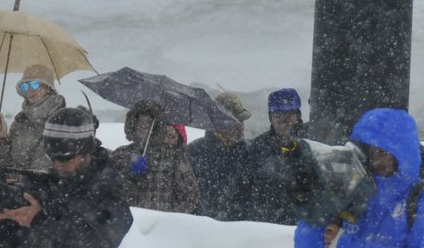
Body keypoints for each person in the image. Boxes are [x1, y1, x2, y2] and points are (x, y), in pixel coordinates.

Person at [293, 107, 424, 248]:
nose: (375, 160)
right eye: (369, 151)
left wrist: (344, 244)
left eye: (383, 152)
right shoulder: (350, 190)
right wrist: (314, 208)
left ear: (402, 154)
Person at [0, 107, 134, 248]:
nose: (56, 165)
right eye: (52, 157)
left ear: (86, 151)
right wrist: (1, 221)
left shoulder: (106, 189)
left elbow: (96, 245)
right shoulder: (42, 187)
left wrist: (39, 220)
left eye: (64, 157)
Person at [107, 99, 198, 212]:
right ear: (133, 124)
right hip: (130, 226)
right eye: (140, 121)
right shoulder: (121, 154)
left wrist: (168, 217)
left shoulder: (173, 156)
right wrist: (128, 174)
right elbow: (107, 190)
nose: (143, 126)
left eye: (149, 122)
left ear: (156, 126)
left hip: (159, 227)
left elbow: (190, 194)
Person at [0, 64, 67, 182]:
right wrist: (2, 138)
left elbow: (65, 169)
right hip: (18, 195)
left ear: (48, 88)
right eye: (25, 85)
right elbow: (5, 164)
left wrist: (23, 181)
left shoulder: (64, 121)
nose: (30, 89)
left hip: (51, 196)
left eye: (35, 84)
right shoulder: (19, 123)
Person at [243, 87, 307, 224]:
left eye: (289, 115)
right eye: (278, 116)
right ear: (270, 118)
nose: (284, 122)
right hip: (268, 224)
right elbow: (247, 188)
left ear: (298, 116)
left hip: (307, 222)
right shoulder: (257, 147)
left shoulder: (312, 142)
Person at [190, 92, 255, 220]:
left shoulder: (251, 152)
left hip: (242, 231)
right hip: (201, 229)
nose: (239, 127)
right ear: (216, 123)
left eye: (241, 121)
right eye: (232, 121)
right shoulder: (194, 151)